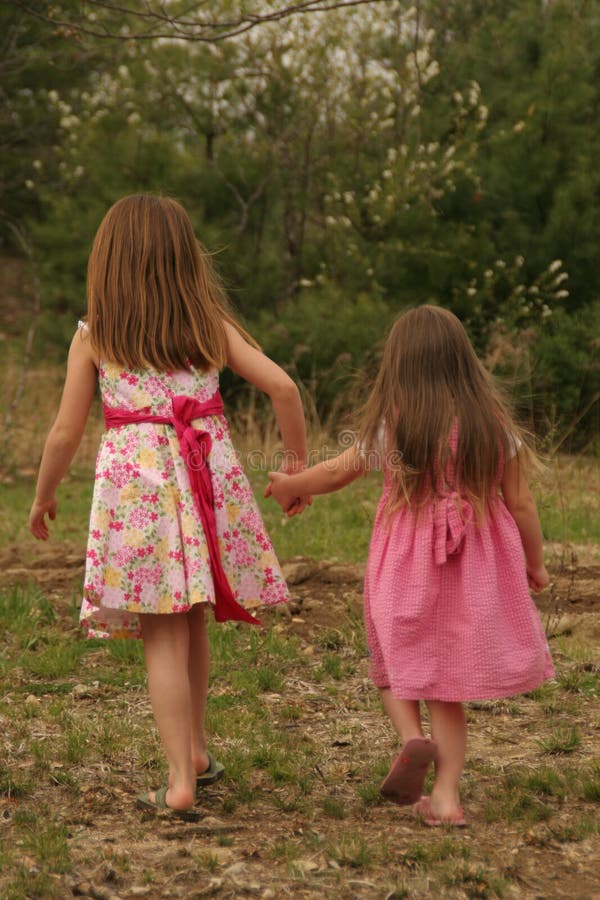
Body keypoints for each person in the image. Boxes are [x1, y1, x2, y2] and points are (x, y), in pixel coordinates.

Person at [29, 194, 309, 821]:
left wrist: (45, 494)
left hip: (139, 494)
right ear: (187, 261)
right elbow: (285, 388)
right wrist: (295, 471)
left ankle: (179, 780)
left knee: (162, 628)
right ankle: (199, 752)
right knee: (191, 617)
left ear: (108, 263)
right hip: (202, 478)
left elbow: (63, 434)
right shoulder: (211, 327)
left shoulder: (95, 335)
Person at [268, 304, 553, 827]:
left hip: (405, 565)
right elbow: (522, 504)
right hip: (473, 567)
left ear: (398, 366)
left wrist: (291, 484)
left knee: (391, 661)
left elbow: (335, 473)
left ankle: (410, 738)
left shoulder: (393, 426)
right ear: (463, 362)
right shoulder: (494, 426)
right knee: (447, 685)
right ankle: (445, 796)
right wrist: (534, 564)